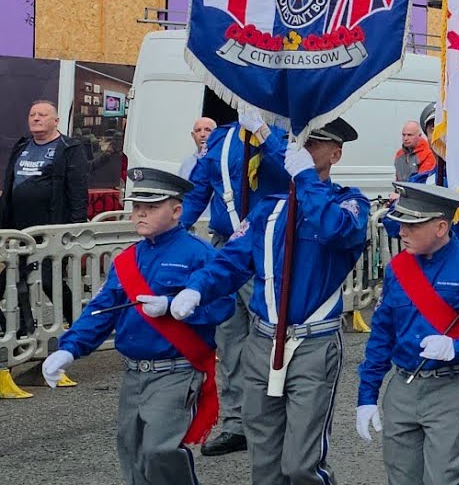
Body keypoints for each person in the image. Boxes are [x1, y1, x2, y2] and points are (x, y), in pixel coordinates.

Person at [170, 118, 371, 485]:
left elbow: (332, 229)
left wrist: (306, 177)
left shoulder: (349, 203)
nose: (302, 152)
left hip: (312, 342)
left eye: (314, 145)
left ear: (335, 154)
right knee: (264, 459)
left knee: (301, 465)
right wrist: (197, 287)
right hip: (263, 341)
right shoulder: (269, 209)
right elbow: (232, 260)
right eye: (298, 144)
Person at [40, 167, 234, 485]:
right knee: (132, 452)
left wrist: (175, 308)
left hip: (176, 370)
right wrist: (68, 349)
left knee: (161, 450)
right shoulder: (128, 259)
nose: (141, 214)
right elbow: (102, 310)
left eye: (151, 207)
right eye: (137, 207)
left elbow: (223, 305)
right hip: (133, 373)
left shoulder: (199, 254)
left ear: (176, 210)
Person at [355, 182, 459, 484]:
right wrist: (367, 396)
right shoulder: (397, 269)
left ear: (441, 226)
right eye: (400, 222)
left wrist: (458, 347)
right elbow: (381, 335)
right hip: (403, 386)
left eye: (411, 225)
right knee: (401, 477)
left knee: (442, 478)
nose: (401, 231)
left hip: (451, 387)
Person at [179, 108, 290, 457]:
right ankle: (236, 422)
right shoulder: (221, 139)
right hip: (226, 249)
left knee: (269, 337)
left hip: (264, 249)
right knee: (229, 341)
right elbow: (199, 190)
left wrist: (263, 134)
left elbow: (293, 173)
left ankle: (271, 417)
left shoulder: (282, 134)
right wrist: (175, 230)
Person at [0, 100, 89, 362]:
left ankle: (83, 331)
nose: (36, 118)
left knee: (51, 282)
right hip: (16, 231)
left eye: (43, 115)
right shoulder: (22, 146)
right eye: (32, 114)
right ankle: (21, 334)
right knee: (10, 282)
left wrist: (74, 228)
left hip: (50, 230)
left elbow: (77, 192)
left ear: (56, 121)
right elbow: (10, 182)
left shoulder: (68, 148)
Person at [384, 105, 459, 261]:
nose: (441, 134)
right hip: (429, 269)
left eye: (447, 127)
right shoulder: (420, 181)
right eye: (434, 129)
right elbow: (392, 223)